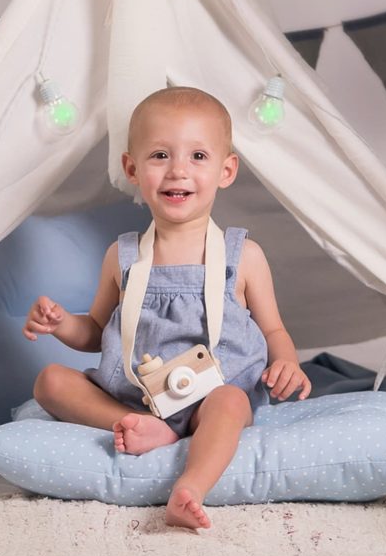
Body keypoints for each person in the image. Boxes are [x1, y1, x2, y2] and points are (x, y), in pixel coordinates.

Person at [23, 86, 311, 529]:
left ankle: (190, 487)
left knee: (232, 401)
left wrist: (287, 360)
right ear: (132, 169)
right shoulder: (122, 257)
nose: (178, 170)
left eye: (198, 156)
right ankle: (143, 425)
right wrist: (61, 324)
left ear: (226, 170)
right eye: (160, 155)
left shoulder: (243, 256)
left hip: (212, 395)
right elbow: (96, 331)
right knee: (50, 382)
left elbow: (273, 330)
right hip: (138, 396)